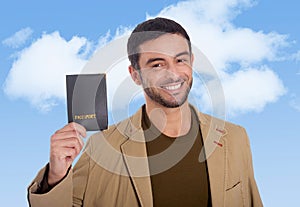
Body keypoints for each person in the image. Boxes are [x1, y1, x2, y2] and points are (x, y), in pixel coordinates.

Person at [27, 17, 263, 207]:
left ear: (191, 62)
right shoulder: (102, 148)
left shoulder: (235, 138)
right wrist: (56, 175)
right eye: (157, 64)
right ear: (135, 75)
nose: (173, 73)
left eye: (180, 60)